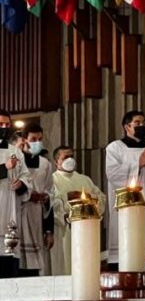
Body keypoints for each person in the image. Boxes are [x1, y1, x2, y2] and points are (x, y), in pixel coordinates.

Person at [105, 111, 145, 267]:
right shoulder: (115, 148)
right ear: (127, 126)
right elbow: (112, 174)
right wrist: (138, 164)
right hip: (127, 204)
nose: (142, 125)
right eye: (137, 123)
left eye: (144, 122)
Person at [50, 145, 106, 275]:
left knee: (86, 267)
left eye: (71, 156)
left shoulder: (84, 179)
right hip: (66, 230)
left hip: (87, 229)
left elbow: (101, 198)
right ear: (56, 161)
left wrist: (87, 198)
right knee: (67, 266)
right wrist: (68, 200)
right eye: (65, 157)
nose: (70, 159)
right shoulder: (53, 179)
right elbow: (53, 203)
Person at [16, 123, 54, 276]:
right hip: (17, 212)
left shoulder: (45, 164)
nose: (37, 142)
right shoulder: (15, 161)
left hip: (36, 216)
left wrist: (49, 230)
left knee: (32, 268)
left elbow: (51, 193)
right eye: (33, 139)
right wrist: (27, 194)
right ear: (24, 139)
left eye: (40, 139)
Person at [0, 110, 31, 264]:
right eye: (0, 124)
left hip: (10, 210)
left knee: (9, 264)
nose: (4, 127)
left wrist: (22, 184)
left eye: (7, 124)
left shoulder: (16, 152)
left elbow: (26, 176)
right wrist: (4, 168)